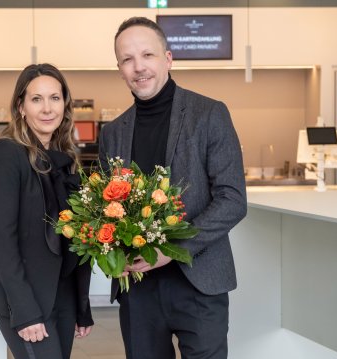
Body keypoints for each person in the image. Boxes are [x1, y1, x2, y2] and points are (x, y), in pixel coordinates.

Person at [98, 17, 247, 359]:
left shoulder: (209, 114)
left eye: (147, 55)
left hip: (199, 283)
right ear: (119, 68)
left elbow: (233, 199)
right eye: (127, 59)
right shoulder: (112, 132)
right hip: (137, 290)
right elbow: (106, 209)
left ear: (167, 58)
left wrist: (174, 249)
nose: (139, 67)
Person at [0, 63, 93, 359]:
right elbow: (3, 240)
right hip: (26, 298)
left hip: (61, 294)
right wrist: (24, 310)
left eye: (55, 98)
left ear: (65, 104)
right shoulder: (6, 154)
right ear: (21, 107)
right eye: (36, 99)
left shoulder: (65, 159)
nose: (47, 108)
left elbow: (76, 241)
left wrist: (81, 305)